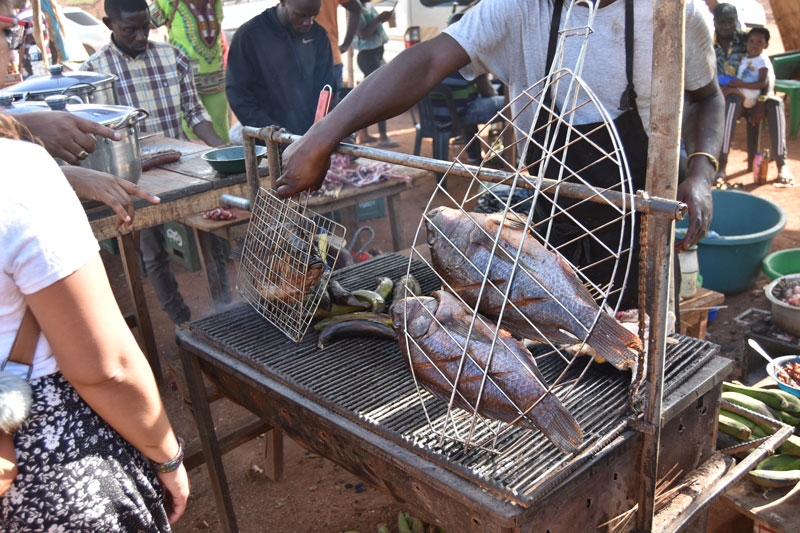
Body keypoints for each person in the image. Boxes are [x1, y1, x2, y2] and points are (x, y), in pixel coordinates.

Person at [275, 0, 723, 308]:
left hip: (641, 230)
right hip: (549, 218)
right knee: (554, 356)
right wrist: (322, 135)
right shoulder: (520, 8)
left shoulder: (674, 14)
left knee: (638, 360)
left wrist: (702, 172)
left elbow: (708, 98)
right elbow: (428, 61)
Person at [0, 6, 189, 530]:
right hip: (52, 463)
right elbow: (105, 367)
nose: (14, 47)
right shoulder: (17, 173)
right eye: (4, 31)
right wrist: (167, 455)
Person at [82, 0, 228, 325]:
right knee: (154, 250)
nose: (139, 36)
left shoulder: (172, 56)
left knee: (213, 231)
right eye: (129, 30)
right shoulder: (94, 72)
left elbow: (194, 112)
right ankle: (181, 321)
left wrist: (220, 147)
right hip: (135, 176)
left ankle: (224, 309)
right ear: (109, 25)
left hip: (182, 165)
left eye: (145, 27)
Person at [226, 0, 335, 134]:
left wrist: (329, 127)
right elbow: (238, 95)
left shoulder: (319, 35)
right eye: (300, 15)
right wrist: (274, 133)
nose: (308, 22)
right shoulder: (249, 36)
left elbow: (327, 86)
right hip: (269, 140)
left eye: (314, 15)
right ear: (283, 2)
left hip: (311, 137)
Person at [713, 5, 793, 184]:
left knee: (776, 104)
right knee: (731, 103)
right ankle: (722, 165)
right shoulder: (709, 42)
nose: (726, 26)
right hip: (729, 97)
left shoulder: (748, 39)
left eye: (730, 22)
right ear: (714, 22)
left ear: (736, 22)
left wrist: (762, 99)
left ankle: (782, 165)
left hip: (758, 93)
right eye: (722, 22)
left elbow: (767, 76)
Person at [150, 0, 231, 143]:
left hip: (215, 80)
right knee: (190, 136)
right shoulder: (168, 2)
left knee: (220, 133)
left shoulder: (215, 2)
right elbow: (143, 22)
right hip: (182, 80)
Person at [430, 12, 504, 162]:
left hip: (434, 116)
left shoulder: (436, 53)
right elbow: (486, 92)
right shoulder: (468, 55)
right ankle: (505, 158)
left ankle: (473, 156)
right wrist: (493, 91)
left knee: (469, 102)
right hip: (459, 116)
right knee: (510, 105)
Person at [353, 0, 397, 147]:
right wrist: (378, 19)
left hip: (375, 54)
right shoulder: (356, 9)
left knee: (368, 96)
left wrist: (382, 19)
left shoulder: (367, 6)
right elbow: (363, 34)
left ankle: (362, 134)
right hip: (368, 56)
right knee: (379, 96)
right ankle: (382, 137)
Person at [315, 0, 361, 99]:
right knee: (332, 109)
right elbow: (356, 8)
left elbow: (356, 8)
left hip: (325, 59)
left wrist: (346, 44)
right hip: (331, 57)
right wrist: (346, 44)